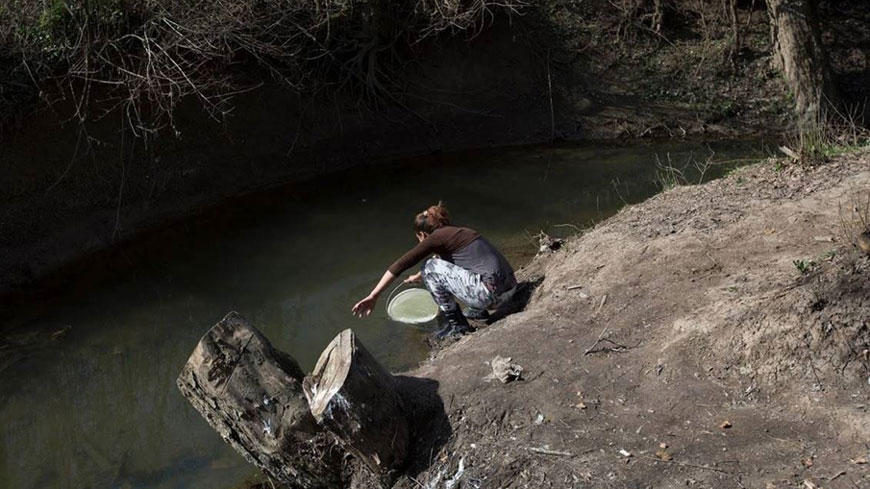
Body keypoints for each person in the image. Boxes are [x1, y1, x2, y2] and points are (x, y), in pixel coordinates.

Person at [352, 202, 517, 338]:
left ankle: (458, 326)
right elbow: (452, 262)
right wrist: (418, 276)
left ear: (423, 234)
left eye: (418, 238)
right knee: (434, 267)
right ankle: (478, 312)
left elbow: (400, 265)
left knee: (428, 266)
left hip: (492, 297)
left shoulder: (434, 239)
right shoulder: (460, 232)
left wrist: (374, 296)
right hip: (510, 288)